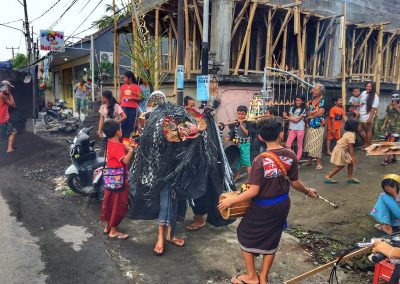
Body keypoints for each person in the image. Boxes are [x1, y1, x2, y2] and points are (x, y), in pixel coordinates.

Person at [218, 117, 318, 284]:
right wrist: (308, 191)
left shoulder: (259, 160)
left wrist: (231, 201)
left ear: (260, 137)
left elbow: (254, 191)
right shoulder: (290, 155)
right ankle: (263, 277)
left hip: (263, 207)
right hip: (282, 205)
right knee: (272, 237)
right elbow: (295, 183)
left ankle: (251, 277)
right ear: (281, 133)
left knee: (244, 233)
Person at [101, 120, 135, 240]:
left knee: (108, 202)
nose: (121, 131)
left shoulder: (111, 143)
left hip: (110, 179)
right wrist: (132, 150)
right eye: (120, 129)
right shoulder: (116, 145)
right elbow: (125, 160)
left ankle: (107, 227)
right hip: (119, 180)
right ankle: (113, 231)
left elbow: (123, 148)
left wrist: (129, 145)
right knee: (118, 204)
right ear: (117, 132)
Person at [324, 118, 359, 184]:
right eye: (357, 125)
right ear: (354, 127)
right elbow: (350, 147)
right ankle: (328, 176)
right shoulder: (351, 135)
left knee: (350, 163)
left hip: (341, 149)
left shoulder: (348, 132)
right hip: (341, 150)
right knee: (341, 165)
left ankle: (350, 177)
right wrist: (353, 157)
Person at [304, 83, 326, 170]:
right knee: (309, 142)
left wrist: (310, 115)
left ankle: (318, 162)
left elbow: (320, 113)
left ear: (321, 92)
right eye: (314, 89)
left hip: (318, 124)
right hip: (309, 124)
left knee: (317, 143)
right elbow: (306, 112)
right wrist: (311, 113)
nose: (314, 91)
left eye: (316, 90)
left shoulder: (323, 100)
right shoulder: (310, 101)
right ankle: (309, 160)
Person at [229, 106, 252, 182]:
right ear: (237, 114)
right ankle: (238, 176)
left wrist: (241, 125)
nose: (240, 116)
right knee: (237, 161)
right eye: (239, 114)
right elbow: (233, 132)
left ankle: (250, 179)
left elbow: (248, 133)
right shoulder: (235, 122)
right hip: (237, 145)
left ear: (246, 114)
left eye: (242, 114)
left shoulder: (248, 122)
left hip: (245, 145)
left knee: (247, 162)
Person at [119, 71, 143, 138]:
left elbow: (141, 98)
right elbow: (120, 98)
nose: (123, 79)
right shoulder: (123, 86)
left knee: (131, 124)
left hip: (133, 109)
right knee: (123, 124)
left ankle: (129, 141)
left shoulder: (136, 87)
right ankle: (123, 140)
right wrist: (118, 107)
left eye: (124, 78)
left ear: (130, 78)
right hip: (123, 108)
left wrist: (132, 98)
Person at [284, 95, 306, 160]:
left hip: (300, 129)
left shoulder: (304, 110)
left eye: (299, 100)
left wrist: (286, 116)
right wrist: (289, 128)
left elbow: (296, 120)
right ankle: (292, 158)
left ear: (303, 101)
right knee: (287, 145)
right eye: (296, 100)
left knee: (299, 146)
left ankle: (297, 160)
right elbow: (291, 120)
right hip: (292, 129)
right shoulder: (292, 108)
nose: (297, 102)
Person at [358, 81, 379, 149]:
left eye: (370, 87)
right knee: (359, 129)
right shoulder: (363, 92)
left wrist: (370, 118)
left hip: (367, 115)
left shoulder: (375, 96)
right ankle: (367, 143)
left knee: (367, 130)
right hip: (361, 113)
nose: (368, 88)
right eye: (367, 86)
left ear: (373, 88)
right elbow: (361, 102)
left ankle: (368, 144)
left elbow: (373, 108)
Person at [381, 92, 400, 166]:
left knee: (392, 143)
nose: (394, 100)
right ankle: (394, 158)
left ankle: (386, 159)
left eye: (396, 98)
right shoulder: (389, 106)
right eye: (393, 98)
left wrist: (397, 107)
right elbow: (387, 115)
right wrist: (384, 124)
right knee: (389, 143)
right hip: (389, 127)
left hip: (397, 129)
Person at [0, 80, 17, 153]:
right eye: (9, 87)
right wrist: (10, 95)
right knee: (13, 131)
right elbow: (11, 104)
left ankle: (9, 148)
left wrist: (9, 95)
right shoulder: (2, 95)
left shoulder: (3, 95)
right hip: (2, 119)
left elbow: (14, 105)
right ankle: (9, 148)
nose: (9, 89)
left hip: (3, 119)